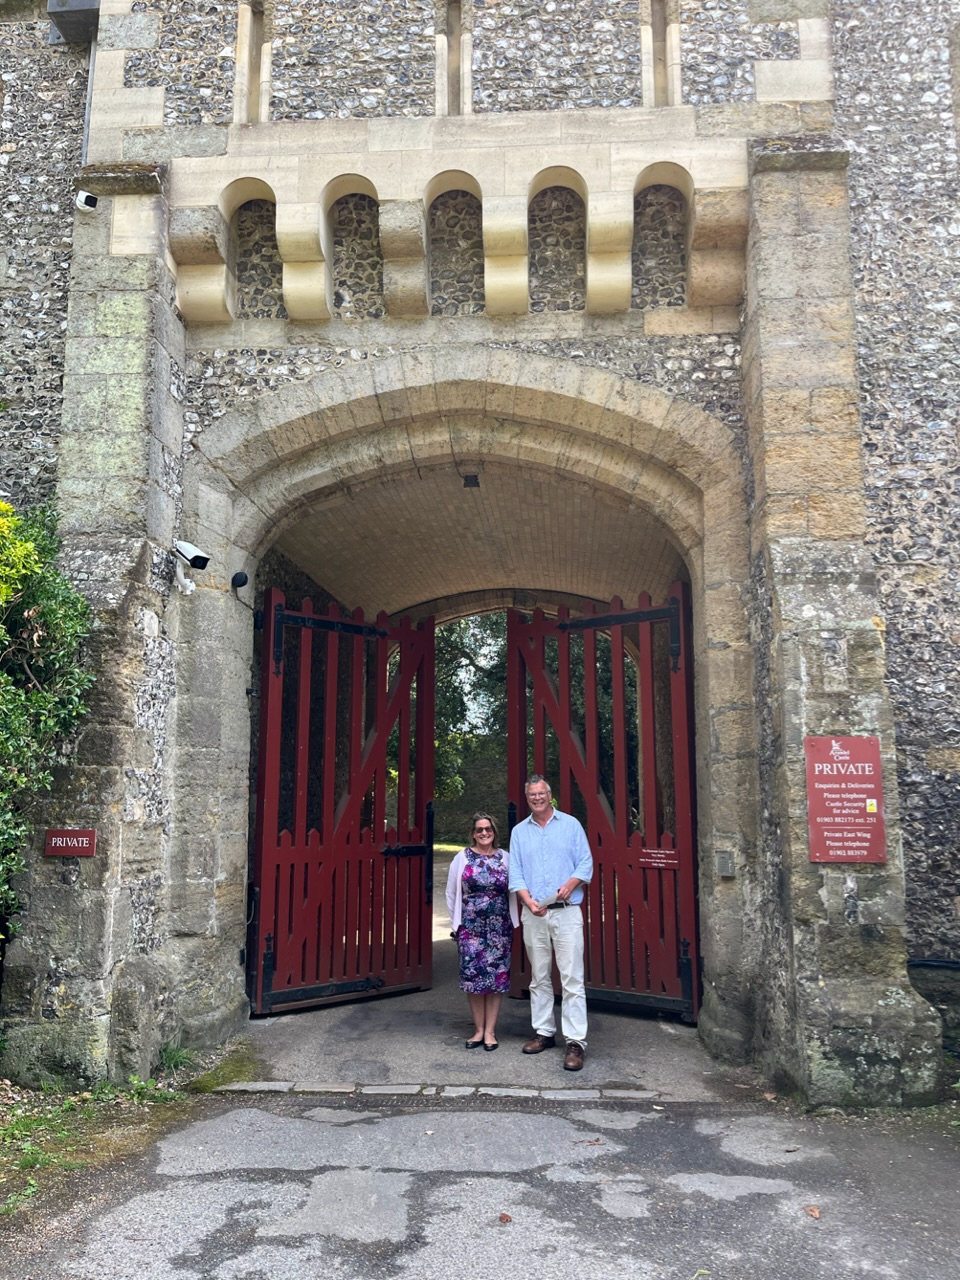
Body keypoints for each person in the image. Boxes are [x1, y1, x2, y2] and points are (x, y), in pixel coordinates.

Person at [508, 775, 594, 1071]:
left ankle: (576, 1041)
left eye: (541, 793)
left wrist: (570, 884)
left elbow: (585, 862)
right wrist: (527, 901)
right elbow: (515, 872)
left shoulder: (571, 825)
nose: (537, 798)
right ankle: (544, 1032)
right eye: (532, 795)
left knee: (572, 978)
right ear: (527, 798)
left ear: (550, 794)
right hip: (534, 912)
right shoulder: (519, 832)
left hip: (567, 911)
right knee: (539, 977)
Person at [445, 812, 519, 1051]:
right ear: (473, 833)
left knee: (497, 979)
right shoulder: (462, 858)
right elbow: (451, 893)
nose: (484, 833)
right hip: (471, 929)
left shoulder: (506, 858)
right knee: (473, 979)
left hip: (500, 929)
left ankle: (490, 1032)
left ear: (494, 832)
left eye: (488, 829)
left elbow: (516, 888)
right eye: (479, 830)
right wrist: (457, 924)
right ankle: (478, 1030)